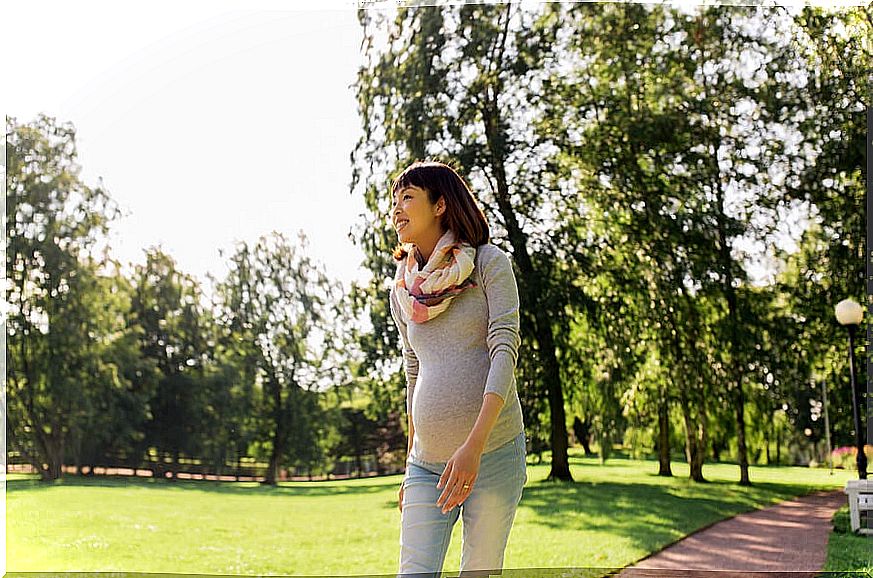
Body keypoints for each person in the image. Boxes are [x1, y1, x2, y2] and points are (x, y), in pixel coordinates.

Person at [388, 160, 527, 577]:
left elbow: (505, 348)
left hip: (494, 453)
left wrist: (474, 445)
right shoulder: (403, 289)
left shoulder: (488, 263)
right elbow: (413, 369)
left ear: (440, 205)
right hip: (425, 463)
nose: (396, 209)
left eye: (407, 197)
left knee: (480, 572)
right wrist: (413, 452)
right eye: (394, 201)